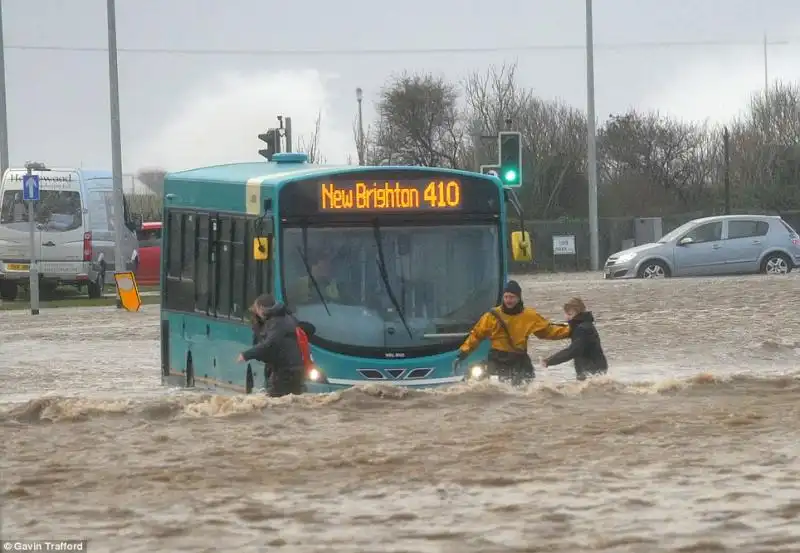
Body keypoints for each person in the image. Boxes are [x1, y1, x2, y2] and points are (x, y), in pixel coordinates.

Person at [454, 280, 571, 384]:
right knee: (487, 387)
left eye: (512, 297)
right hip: (497, 358)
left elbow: (548, 331)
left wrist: (571, 331)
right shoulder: (491, 316)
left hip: (519, 360)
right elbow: (476, 335)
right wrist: (464, 352)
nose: (508, 300)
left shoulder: (529, 315)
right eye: (506, 297)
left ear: (519, 298)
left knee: (523, 392)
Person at [236, 294, 307, 397]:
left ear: (260, 308)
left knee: (276, 402)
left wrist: (246, 355)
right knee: (289, 403)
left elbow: (269, 344)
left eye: (256, 309)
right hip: (294, 369)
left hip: (284, 370)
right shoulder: (286, 318)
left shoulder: (276, 322)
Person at [542, 297, 608, 380]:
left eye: (570, 314)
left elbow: (572, 351)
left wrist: (549, 361)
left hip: (591, 368)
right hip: (595, 367)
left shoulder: (582, 329)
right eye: (567, 313)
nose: (567, 317)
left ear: (579, 314)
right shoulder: (584, 325)